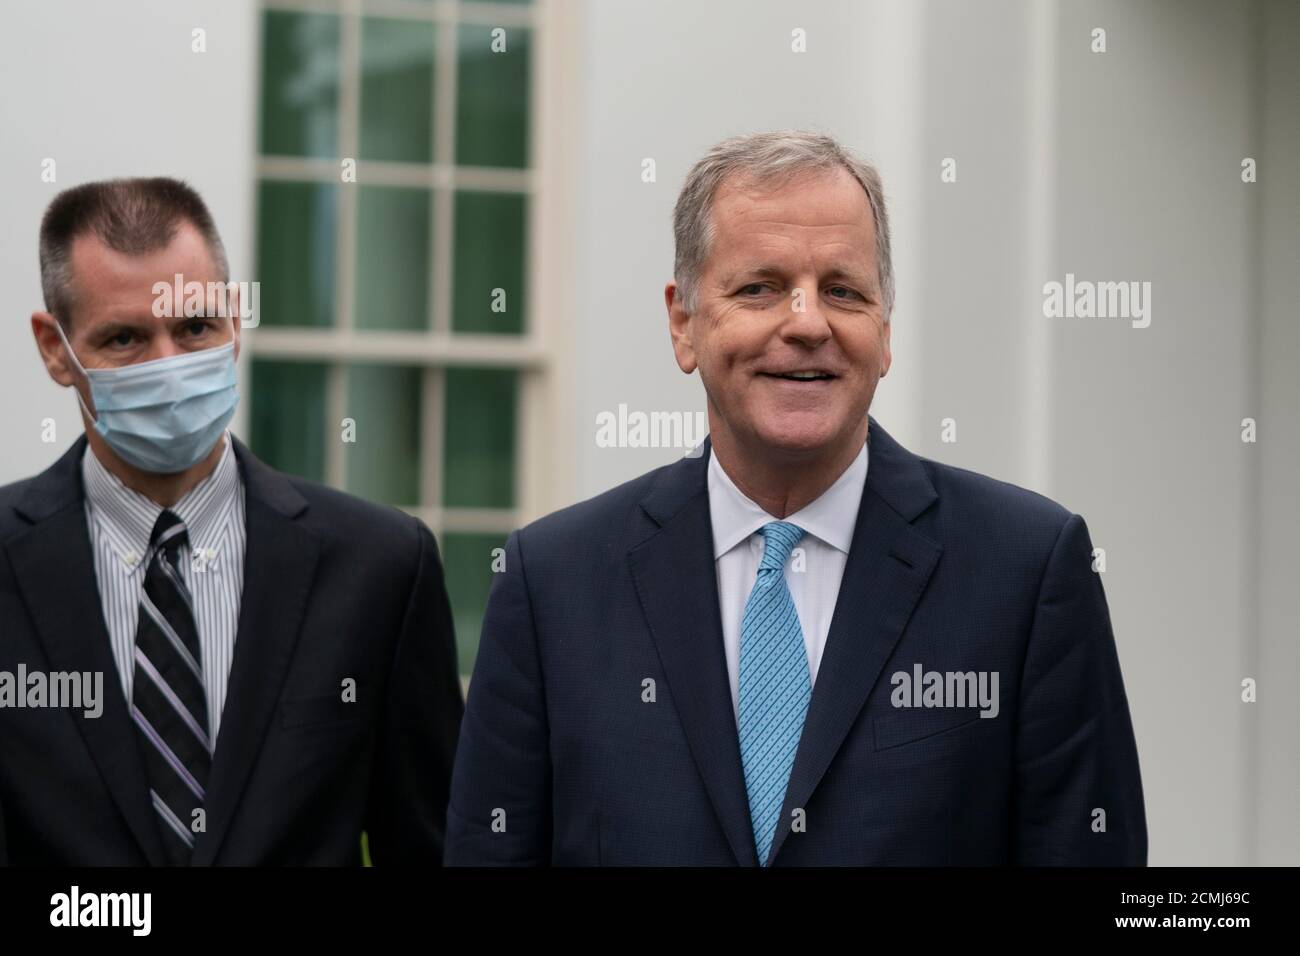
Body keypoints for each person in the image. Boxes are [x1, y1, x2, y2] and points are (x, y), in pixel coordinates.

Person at [445, 131, 1147, 866]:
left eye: (843, 291)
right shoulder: (553, 581)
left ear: (884, 330)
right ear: (683, 322)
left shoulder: (1024, 570)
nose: (807, 323)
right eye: (760, 288)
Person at [0, 177, 463, 865]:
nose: (170, 368)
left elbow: (431, 849)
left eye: (194, 328)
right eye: (125, 338)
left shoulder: (380, 566)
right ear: (53, 347)